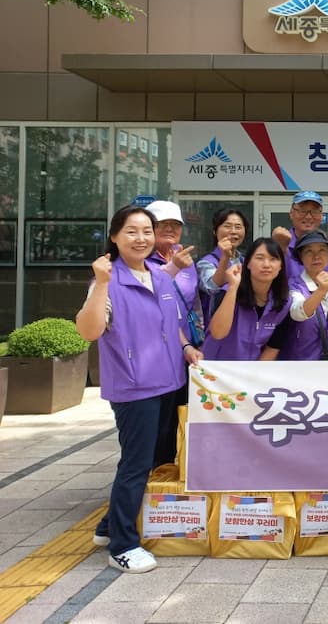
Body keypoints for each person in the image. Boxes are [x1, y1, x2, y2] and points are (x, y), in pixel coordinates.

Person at [76, 205, 202, 574]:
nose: (141, 238)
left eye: (147, 231)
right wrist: (101, 283)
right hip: (134, 387)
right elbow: (89, 330)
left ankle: (107, 526)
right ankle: (123, 545)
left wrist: (185, 347)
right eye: (131, 231)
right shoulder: (107, 280)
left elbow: (170, 323)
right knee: (135, 464)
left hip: (169, 381)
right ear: (114, 236)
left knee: (150, 460)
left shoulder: (158, 276)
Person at [202, 237, 291, 361]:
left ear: (281, 266)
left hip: (249, 369)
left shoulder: (284, 301)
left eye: (273, 259)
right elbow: (217, 333)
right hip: (216, 367)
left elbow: (273, 346)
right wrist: (233, 287)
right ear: (247, 264)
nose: (266, 265)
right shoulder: (228, 291)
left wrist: (254, 371)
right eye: (260, 258)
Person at [285, 231, 328, 360]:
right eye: (309, 251)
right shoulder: (295, 285)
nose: (316, 256)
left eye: (322, 250)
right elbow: (298, 313)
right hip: (300, 362)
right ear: (301, 256)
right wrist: (321, 290)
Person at [146, 200, 202, 349]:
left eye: (176, 224)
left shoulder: (186, 259)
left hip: (186, 346)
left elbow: (195, 304)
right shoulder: (139, 260)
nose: (170, 228)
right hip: (151, 344)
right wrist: (173, 267)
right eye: (163, 223)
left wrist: (199, 337)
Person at [196, 207, 248, 322]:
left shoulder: (245, 261)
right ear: (215, 231)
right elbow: (212, 286)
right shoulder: (206, 262)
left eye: (238, 227)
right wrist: (225, 257)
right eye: (227, 226)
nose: (233, 231)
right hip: (217, 326)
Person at [272, 190, 325, 280]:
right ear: (291, 213)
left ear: (321, 216)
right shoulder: (280, 242)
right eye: (302, 211)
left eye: (315, 211)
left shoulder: (327, 245)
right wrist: (280, 249)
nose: (308, 216)